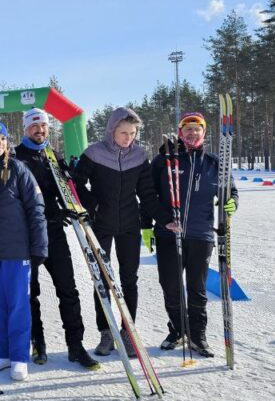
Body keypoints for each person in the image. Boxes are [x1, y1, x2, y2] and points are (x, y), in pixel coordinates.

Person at [73, 107, 171, 356]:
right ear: (112, 130)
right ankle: (107, 333)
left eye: (133, 133)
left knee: (129, 279)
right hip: (100, 224)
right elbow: (75, 182)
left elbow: (147, 194)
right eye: (124, 132)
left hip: (129, 224)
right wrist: (91, 204)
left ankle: (128, 332)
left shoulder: (139, 156)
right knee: (102, 279)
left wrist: (165, 218)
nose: (129, 137)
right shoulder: (94, 153)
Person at [150, 112, 238, 357]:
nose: (192, 133)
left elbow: (230, 192)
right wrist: (155, 222)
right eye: (187, 129)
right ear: (180, 133)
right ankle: (178, 330)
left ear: (203, 133)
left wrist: (231, 203)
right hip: (169, 234)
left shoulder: (213, 162)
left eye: (196, 129)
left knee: (197, 289)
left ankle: (198, 336)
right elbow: (149, 195)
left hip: (201, 235)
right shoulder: (165, 161)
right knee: (170, 286)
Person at [13, 109, 96, 369]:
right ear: (25, 129)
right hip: (27, 234)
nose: (39, 130)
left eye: (44, 127)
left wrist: (87, 205)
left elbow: (69, 191)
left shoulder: (53, 155)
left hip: (54, 231)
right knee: (30, 293)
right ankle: (38, 342)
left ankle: (75, 344)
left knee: (68, 289)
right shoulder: (15, 157)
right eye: (34, 126)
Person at [0, 121, 48, 382]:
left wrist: (39, 246)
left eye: (2, 139)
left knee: (18, 305)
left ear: (7, 142)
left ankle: (19, 357)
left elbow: (36, 210)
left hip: (17, 250)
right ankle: (2, 354)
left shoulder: (19, 169)